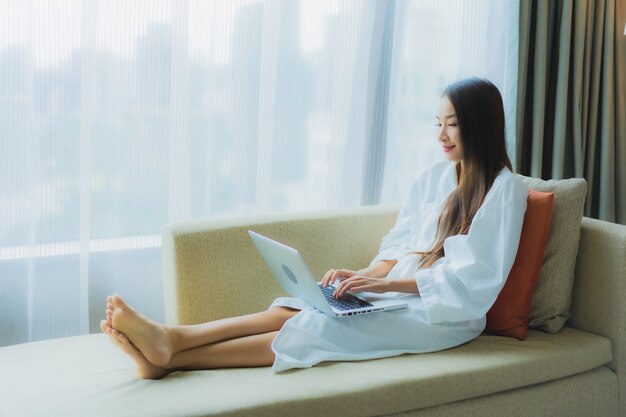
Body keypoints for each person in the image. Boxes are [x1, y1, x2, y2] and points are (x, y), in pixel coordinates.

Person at [101, 77, 527, 379]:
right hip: (397, 294)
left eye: (451, 123)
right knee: (300, 303)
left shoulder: (506, 192)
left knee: (322, 326)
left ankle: (171, 359)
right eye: (438, 123)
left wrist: (385, 289)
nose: (441, 135)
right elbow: (399, 245)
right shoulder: (434, 178)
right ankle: (175, 337)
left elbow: (471, 281)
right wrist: (364, 277)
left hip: (442, 317)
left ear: (480, 125)